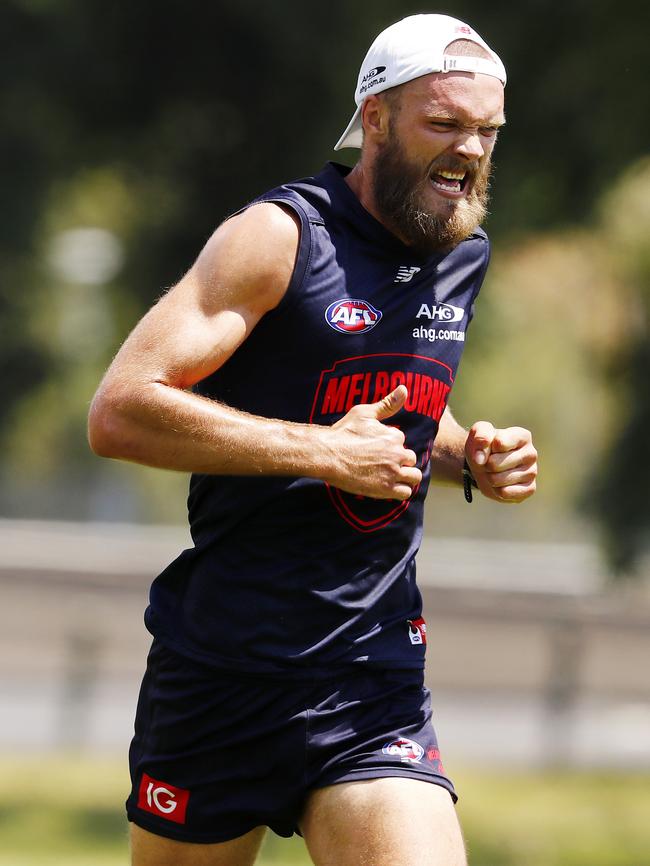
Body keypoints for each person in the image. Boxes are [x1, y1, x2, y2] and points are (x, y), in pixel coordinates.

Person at [88, 13, 537, 866]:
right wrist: (322, 451)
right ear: (374, 118)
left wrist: (466, 454)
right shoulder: (279, 237)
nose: (471, 150)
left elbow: (396, 407)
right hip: (225, 669)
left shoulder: (461, 255)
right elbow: (121, 410)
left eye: (487, 131)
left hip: (373, 674)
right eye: (444, 124)